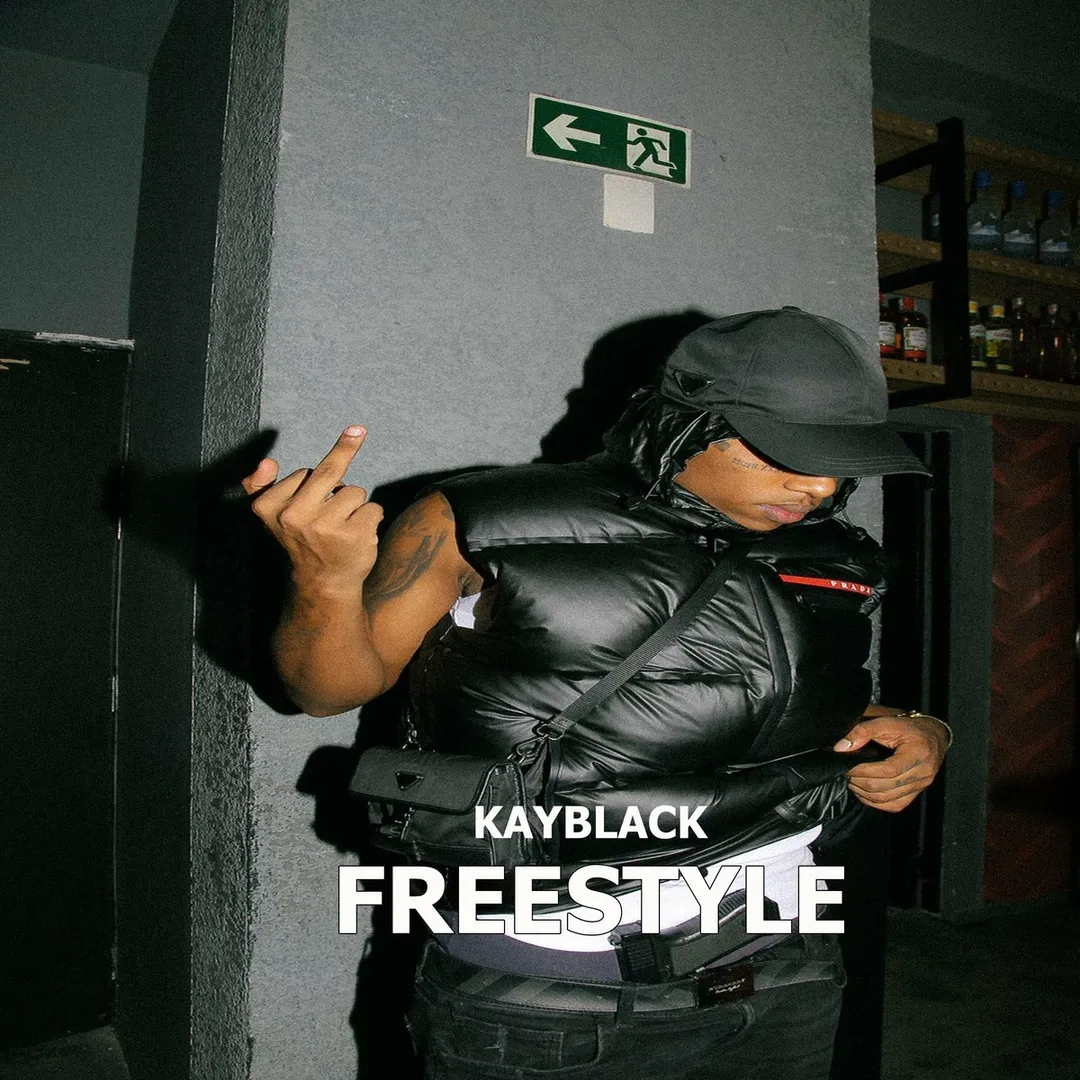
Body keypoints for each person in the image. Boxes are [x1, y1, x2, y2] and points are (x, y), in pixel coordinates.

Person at [243, 307, 950, 1080]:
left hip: (785, 970)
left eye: (840, 462)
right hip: (549, 998)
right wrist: (324, 582)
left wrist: (917, 726)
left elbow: (790, 702)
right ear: (688, 422)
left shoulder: (840, 554)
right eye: (788, 452)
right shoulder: (479, 519)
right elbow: (325, 691)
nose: (819, 485)